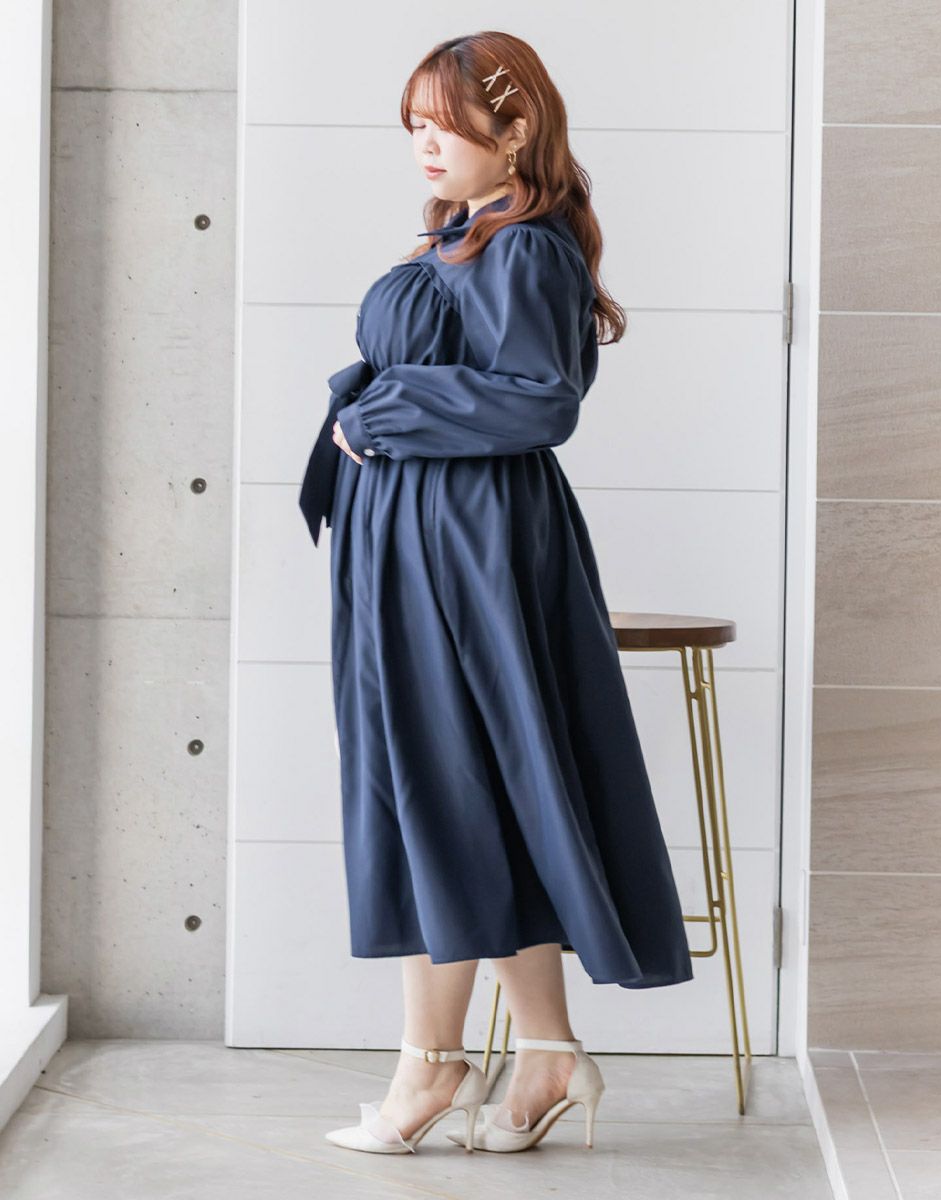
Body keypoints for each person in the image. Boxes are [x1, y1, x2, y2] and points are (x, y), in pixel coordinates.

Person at [298, 30, 694, 1156]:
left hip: (465, 548)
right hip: (421, 540)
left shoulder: (522, 248)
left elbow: (538, 397)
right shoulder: (466, 235)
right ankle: (546, 1050)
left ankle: (430, 1067)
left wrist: (379, 411)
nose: (424, 144)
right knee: (465, 782)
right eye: (414, 125)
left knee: (446, 781)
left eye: (445, 123)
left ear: (514, 128)